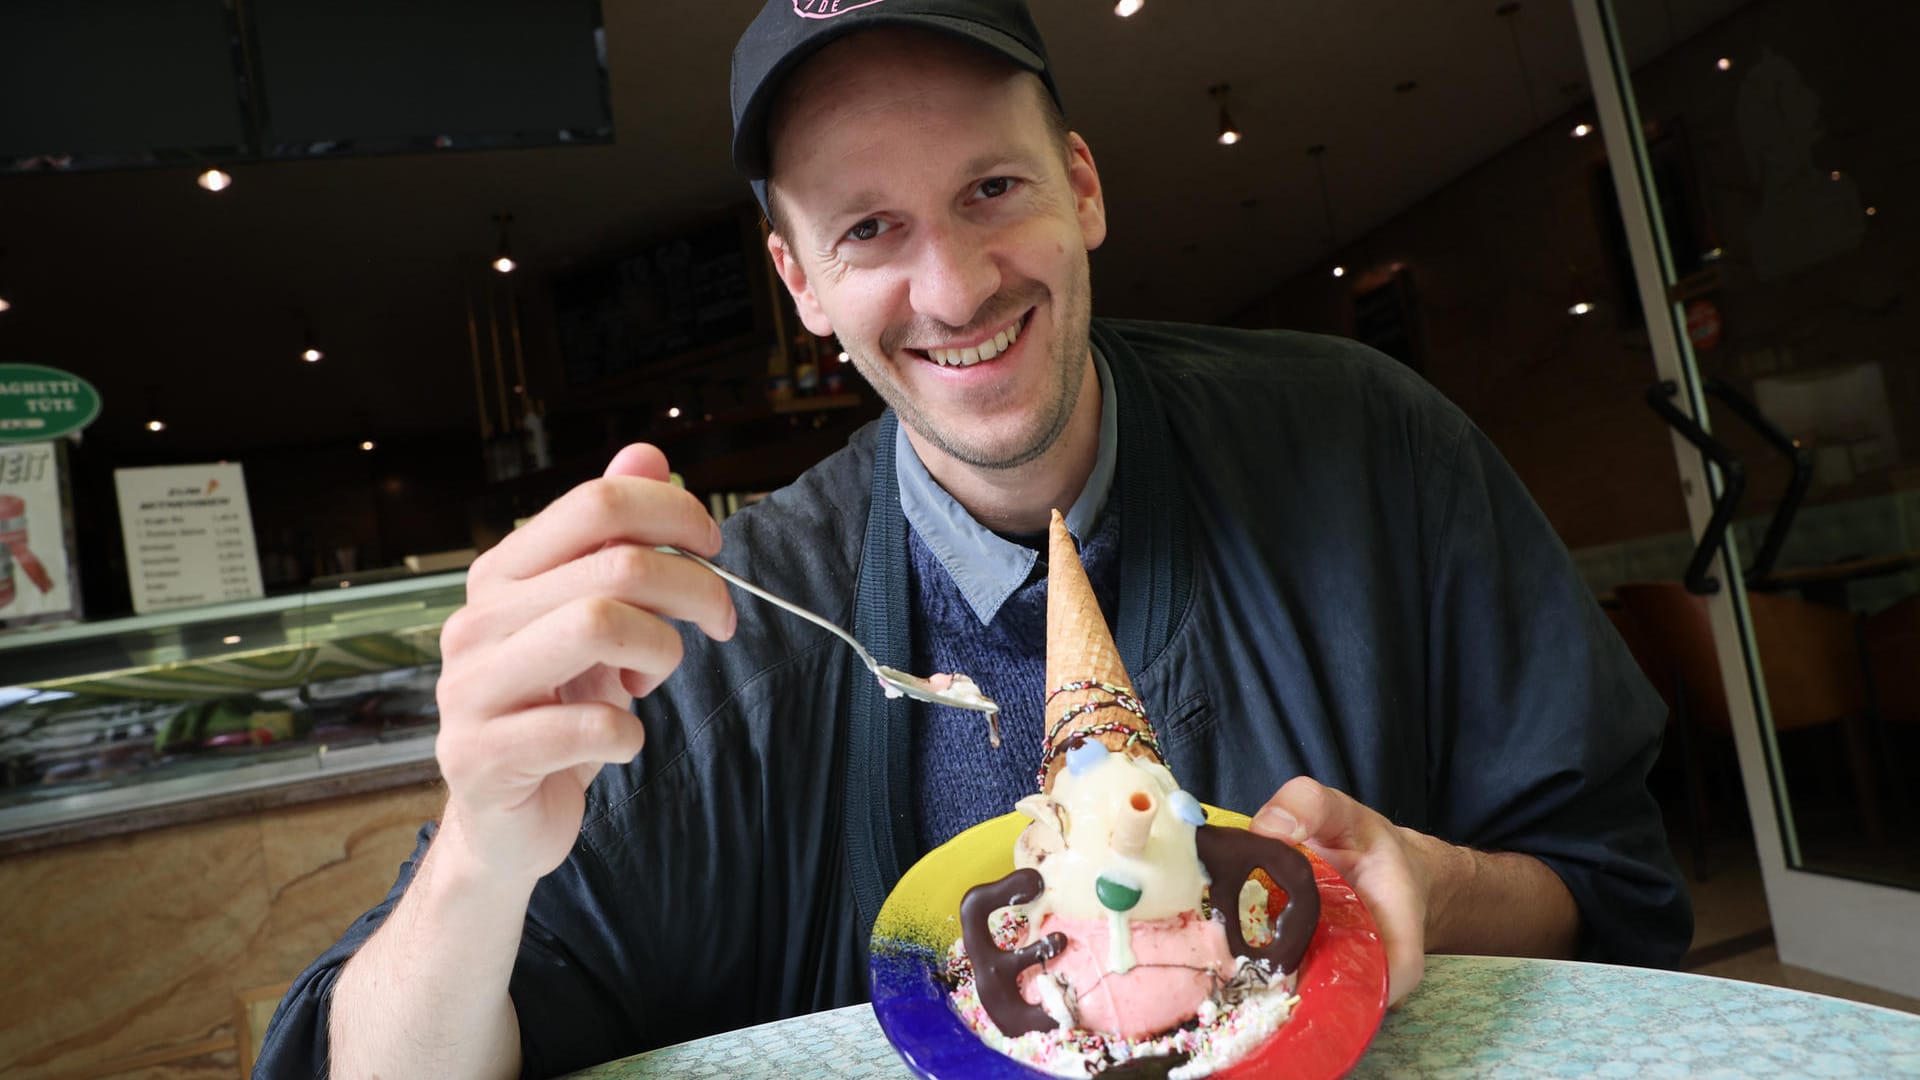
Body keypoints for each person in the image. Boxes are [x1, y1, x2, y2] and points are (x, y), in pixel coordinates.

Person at [259, 1, 1691, 1076]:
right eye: (869, 228)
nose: (950, 286)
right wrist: (480, 858)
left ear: (1082, 184)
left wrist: (1433, 892)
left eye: (991, 191)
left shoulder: (1372, 449)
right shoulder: (730, 638)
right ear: (798, 280)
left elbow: (1612, 893)